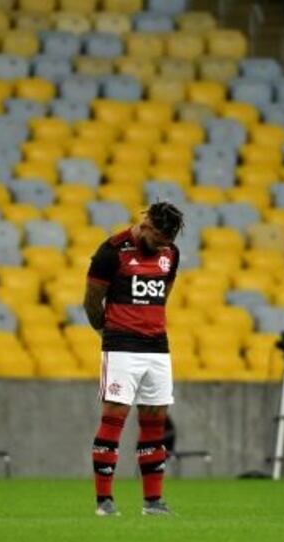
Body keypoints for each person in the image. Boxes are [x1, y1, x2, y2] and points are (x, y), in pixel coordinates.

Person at [83, 201, 183, 517]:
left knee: (155, 422)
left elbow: (163, 294)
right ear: (147, 223)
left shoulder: (171, 253)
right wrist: (109, 333)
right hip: (122, 346)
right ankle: (104, 502)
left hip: (157, 347)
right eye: (158, 238)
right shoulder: (111, 251)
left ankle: (153, 502)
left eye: (168, 241)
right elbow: (91, 302)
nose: (162, 245)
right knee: (114, 419)